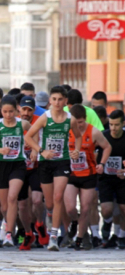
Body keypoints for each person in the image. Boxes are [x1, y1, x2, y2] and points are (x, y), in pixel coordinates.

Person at [25, 85, 82, 251]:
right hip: (45, 163)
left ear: (65, 101)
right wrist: (41, 151)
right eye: (54, 99)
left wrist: (76, 151)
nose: (57, 102)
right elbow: (28, 137)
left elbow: (78, 136)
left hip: (62, 161)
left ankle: (54, 236)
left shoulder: (70, 119)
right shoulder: (44, 118)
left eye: (60, 100)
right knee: (49, 203)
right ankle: (50, 215)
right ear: (50, 100)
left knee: (58, 197)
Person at [0, 96, 32, 248]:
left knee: (13, 198)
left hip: (18, 164)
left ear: (16, 110)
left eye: (11, 111)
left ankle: (9, 234)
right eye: (5, 112)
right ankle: (14, 227)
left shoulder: (22, 124)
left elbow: (36, 132)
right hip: (1, 165)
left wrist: (35, 150)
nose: (8, 115)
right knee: (4, 207)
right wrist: (0, 150)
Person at [65, 104, 111, 250]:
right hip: (71, 174)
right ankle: (74, 221)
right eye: (75, 123)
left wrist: (102, 164)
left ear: (85, 119)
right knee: (71, 208)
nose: (78, 126)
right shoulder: (66, 130)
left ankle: (80, 239)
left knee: (85, 209)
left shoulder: (94, 132)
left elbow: (107, 147)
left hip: (88, 175)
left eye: (80, 122)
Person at [17, 96, 47, 250]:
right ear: (19, 109)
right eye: (24, 109)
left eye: (29, 110)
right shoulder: (12, 122)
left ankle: (40, 224)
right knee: (22, 206)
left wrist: (37, 149)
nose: (26, 112)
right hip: (19, 168)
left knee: (36, 201)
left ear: (34, 110)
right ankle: (28, 233)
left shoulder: (40, 121)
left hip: (36, 167)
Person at [96, 110, 125, 249]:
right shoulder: (103, 136)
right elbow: (94, 154)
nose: (113, 128)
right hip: (106, 178)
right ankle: (107, 222)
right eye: (111, 124)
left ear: (123, 124)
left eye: (117, 125)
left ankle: (121, 236)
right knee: (106, 210)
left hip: (122, 179)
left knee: (124, 209)